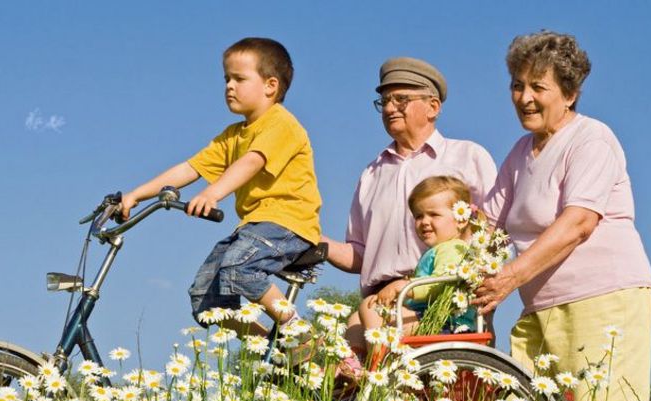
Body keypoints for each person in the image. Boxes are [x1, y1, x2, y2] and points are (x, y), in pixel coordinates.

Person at [474, 31, 651, 401]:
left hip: (603, 301)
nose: (524, 98)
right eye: (517, 85)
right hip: (540, 308)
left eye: (538, 87)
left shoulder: (591, 138)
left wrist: (508, 277)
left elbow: (578, 222)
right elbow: (486, 226)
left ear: (570, 93)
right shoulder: (520, 153)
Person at [117, 37, 321, 338]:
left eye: (239, 78)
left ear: (270, 86)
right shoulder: (232, 135)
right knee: (205, 300)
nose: (229, 86)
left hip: (287, 223)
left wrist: (213, 193)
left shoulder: (281, 124)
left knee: (239, 268)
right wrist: (136, 194)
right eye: (226, 78)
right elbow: (189, 168)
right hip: (254, 227)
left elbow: (253, 161)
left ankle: (299, 331)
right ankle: (266, 344)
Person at [323, 57, 497, 377]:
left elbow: (493, 233)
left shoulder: (468, 157)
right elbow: (359, 253)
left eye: (401, 99)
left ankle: (378, 378)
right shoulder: (372, 174)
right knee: (345, 346)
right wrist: (317, 243)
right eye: (385, 101)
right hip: (383, 300)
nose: (390, 108)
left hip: (442, 296)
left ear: (432, 106)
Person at [359, 175, 478, 347]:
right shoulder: (437, 250)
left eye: (434, 215)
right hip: (428, 318)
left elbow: (440, 283)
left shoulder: (453, 249)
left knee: (370, 309)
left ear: (461, 219)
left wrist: (403, 287)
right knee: (360, 316)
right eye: (418, 216)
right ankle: (354, 362)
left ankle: (379, 365)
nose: (424, 222)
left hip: (444, 324)